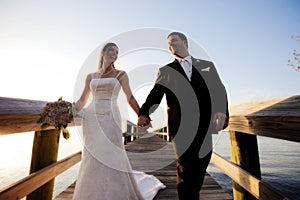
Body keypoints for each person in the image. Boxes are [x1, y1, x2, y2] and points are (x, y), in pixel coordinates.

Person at [138, 32, 229, 200]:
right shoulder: (166, 70)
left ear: (185, 42)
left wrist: (222, 110)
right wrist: (144, 113)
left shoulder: (207, 65)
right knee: (185, 168)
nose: (171, 45)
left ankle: (191, 195)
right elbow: (155, 94)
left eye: (173, 41)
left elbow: (218, 89)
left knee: (201, 165)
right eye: (168, 44)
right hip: (181, 127)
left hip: (205, 126)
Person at [72, 42, 165, 200]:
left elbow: (129, 97)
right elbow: (82, 101)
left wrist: (141, 115)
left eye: (117, 52)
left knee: (111, 152)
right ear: (103, 53)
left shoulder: (121, 74)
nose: (115, 54)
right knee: (93, 155)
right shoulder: (90, 77)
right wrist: (65, 111)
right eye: (112, 51)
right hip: (92, 118)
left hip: (110, 116)